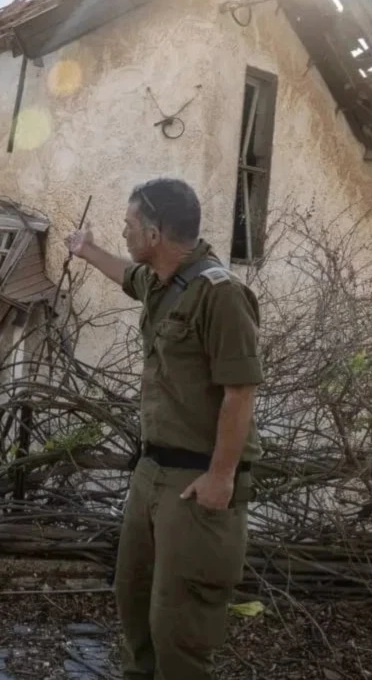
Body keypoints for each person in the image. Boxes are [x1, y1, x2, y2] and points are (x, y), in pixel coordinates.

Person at [65, 178, 263, 680]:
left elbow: (240, 393)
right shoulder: (162, 280)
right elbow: (125, 274)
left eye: (129, 225)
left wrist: (221, 477)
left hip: (195, 483)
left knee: (180, 631)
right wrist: (87, 250)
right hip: (152, 471)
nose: (124, 232)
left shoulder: (221, 295)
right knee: (133, 604)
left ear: (153, 233)